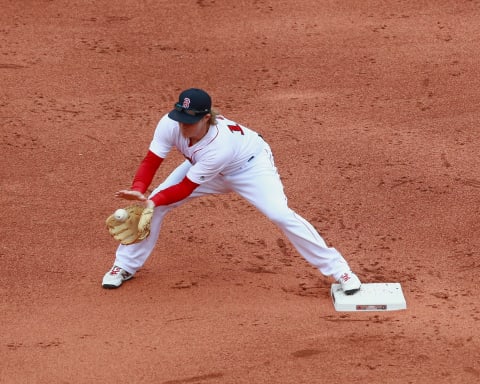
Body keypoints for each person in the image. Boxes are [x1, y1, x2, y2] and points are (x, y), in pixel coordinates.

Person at [102, 88, 362, 295]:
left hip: (249, 168)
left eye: (189, 122)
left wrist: (152, 200)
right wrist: (140, 192)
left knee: (280, 215)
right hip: (202, 168)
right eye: (180, 119)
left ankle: (340, 271)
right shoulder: (170, 123)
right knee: (151, 207)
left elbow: (185, 188)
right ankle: (124, 266)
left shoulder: (219, 145)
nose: (182, 127)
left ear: (206, 118)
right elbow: (151, 160)